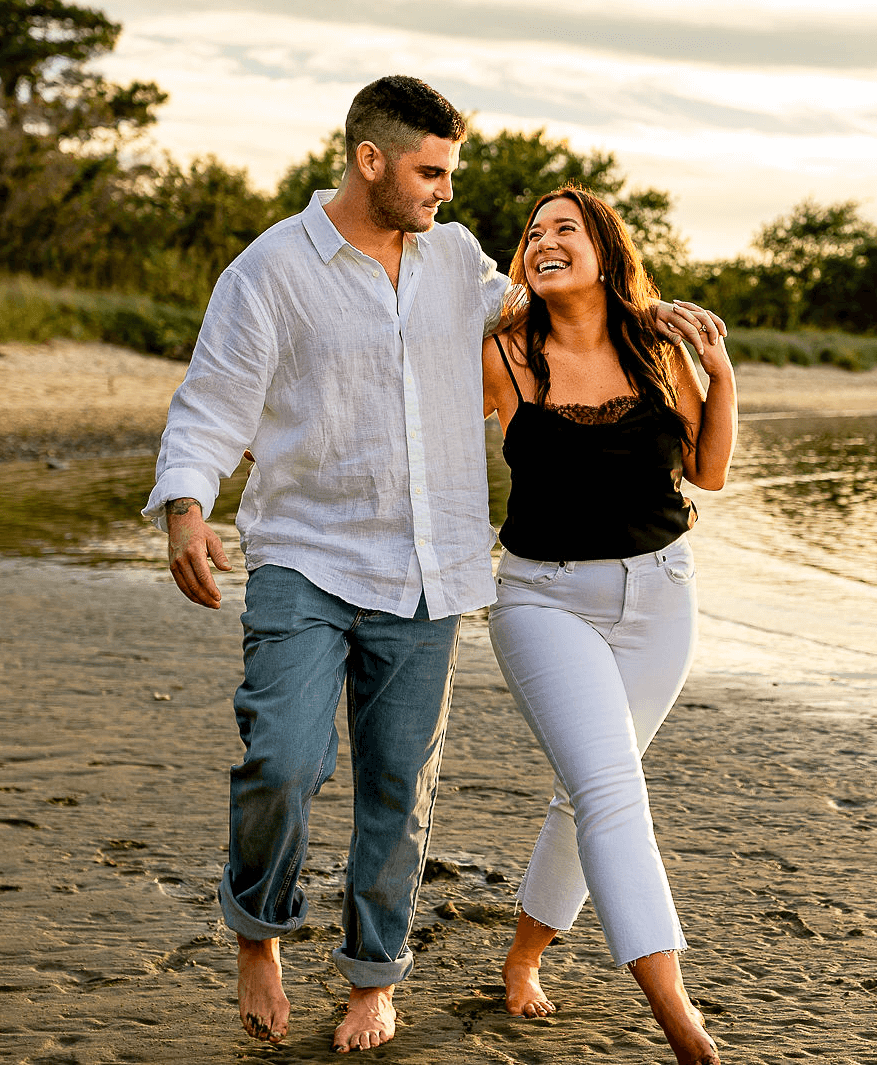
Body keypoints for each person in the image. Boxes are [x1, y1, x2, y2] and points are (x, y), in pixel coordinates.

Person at [141, 77, 721, 1052]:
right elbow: (213, 403)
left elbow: (547, 305)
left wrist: (648, 315)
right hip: (306, 555)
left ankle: (374, 975)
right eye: (430, 171)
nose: (446, 191)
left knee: (397, 788)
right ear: (371, 160)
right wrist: (188, 509)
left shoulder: (456, 261)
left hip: (429, 569)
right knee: (280, 759)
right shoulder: (269, 271)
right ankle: (258, 931)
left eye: (450, 172)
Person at [482, 187, 737, 1065]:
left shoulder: (657, 346)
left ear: (603, 248)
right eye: (532, 233)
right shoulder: (502, 353)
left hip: (661, 596)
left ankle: (521, 956)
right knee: (611, 792)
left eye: (564, 229)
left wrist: (721, 373)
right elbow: (399, 417)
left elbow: (705, 471)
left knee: (590, 788)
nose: (544, 241)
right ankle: (680, 1020)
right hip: (541, 600)